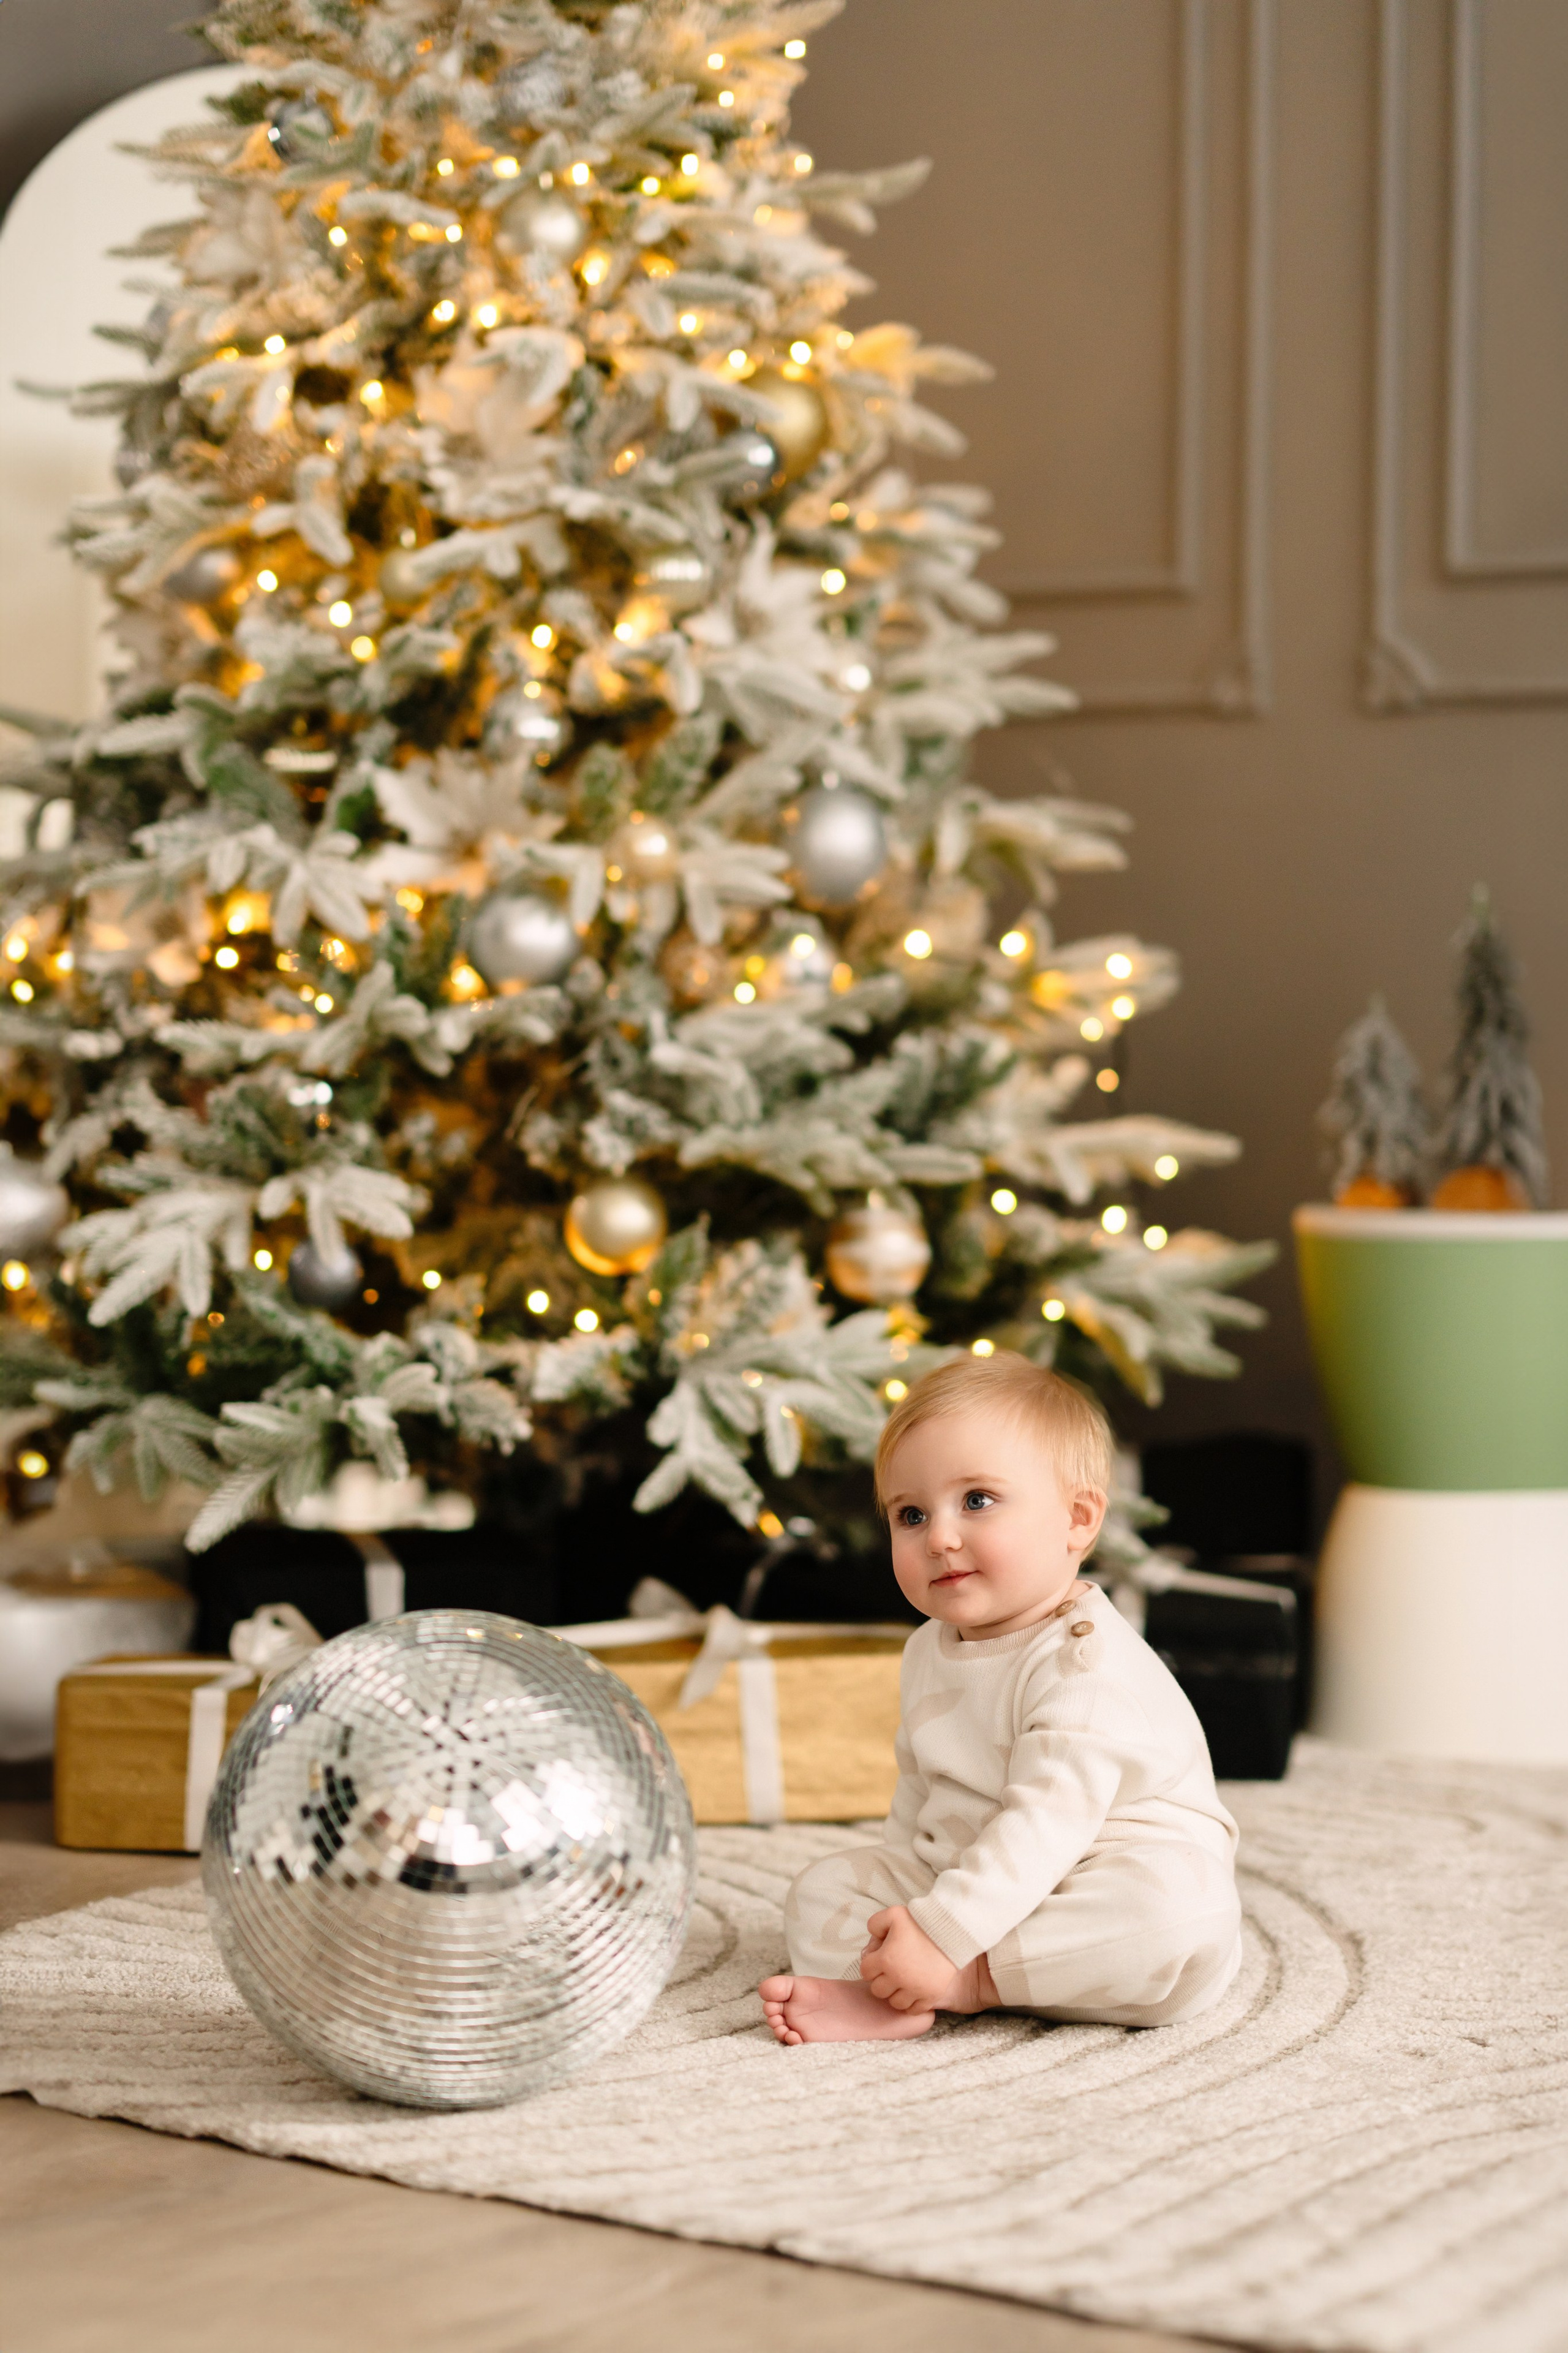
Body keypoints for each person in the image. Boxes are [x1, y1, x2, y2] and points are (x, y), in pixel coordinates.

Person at [760, 1352, 1242, 2045]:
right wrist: (906, 1917)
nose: (940, 1537)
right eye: (911, 1514)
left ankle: (974, 1982)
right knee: (821, 1891)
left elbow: (1045, 1826)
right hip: (968, 1871)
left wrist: (941, 1936)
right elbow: (919, 1792)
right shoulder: (928, 1648)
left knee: (1182, 1911)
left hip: (1096, 1877)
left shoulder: (1085, 1666)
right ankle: (895, 1990)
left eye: (977, 1501)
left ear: (1077, 1519)